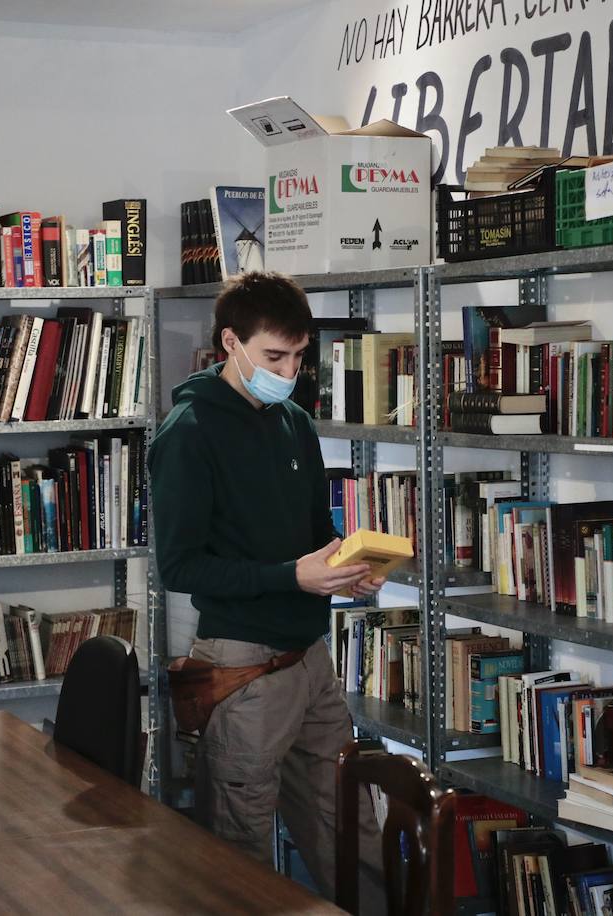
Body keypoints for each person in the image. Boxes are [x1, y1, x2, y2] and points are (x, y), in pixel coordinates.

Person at [149, 271, 383, 906]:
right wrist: (293, 577)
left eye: (300, 355)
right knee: (238, 849)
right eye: (275, 356)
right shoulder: (189, 431)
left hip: (312, 661)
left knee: (353, 832)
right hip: (242, 667)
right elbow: (179, 568)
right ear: (232, 343)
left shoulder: (295, 423)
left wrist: (347, 567)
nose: (289, 369)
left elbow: (315, 532)